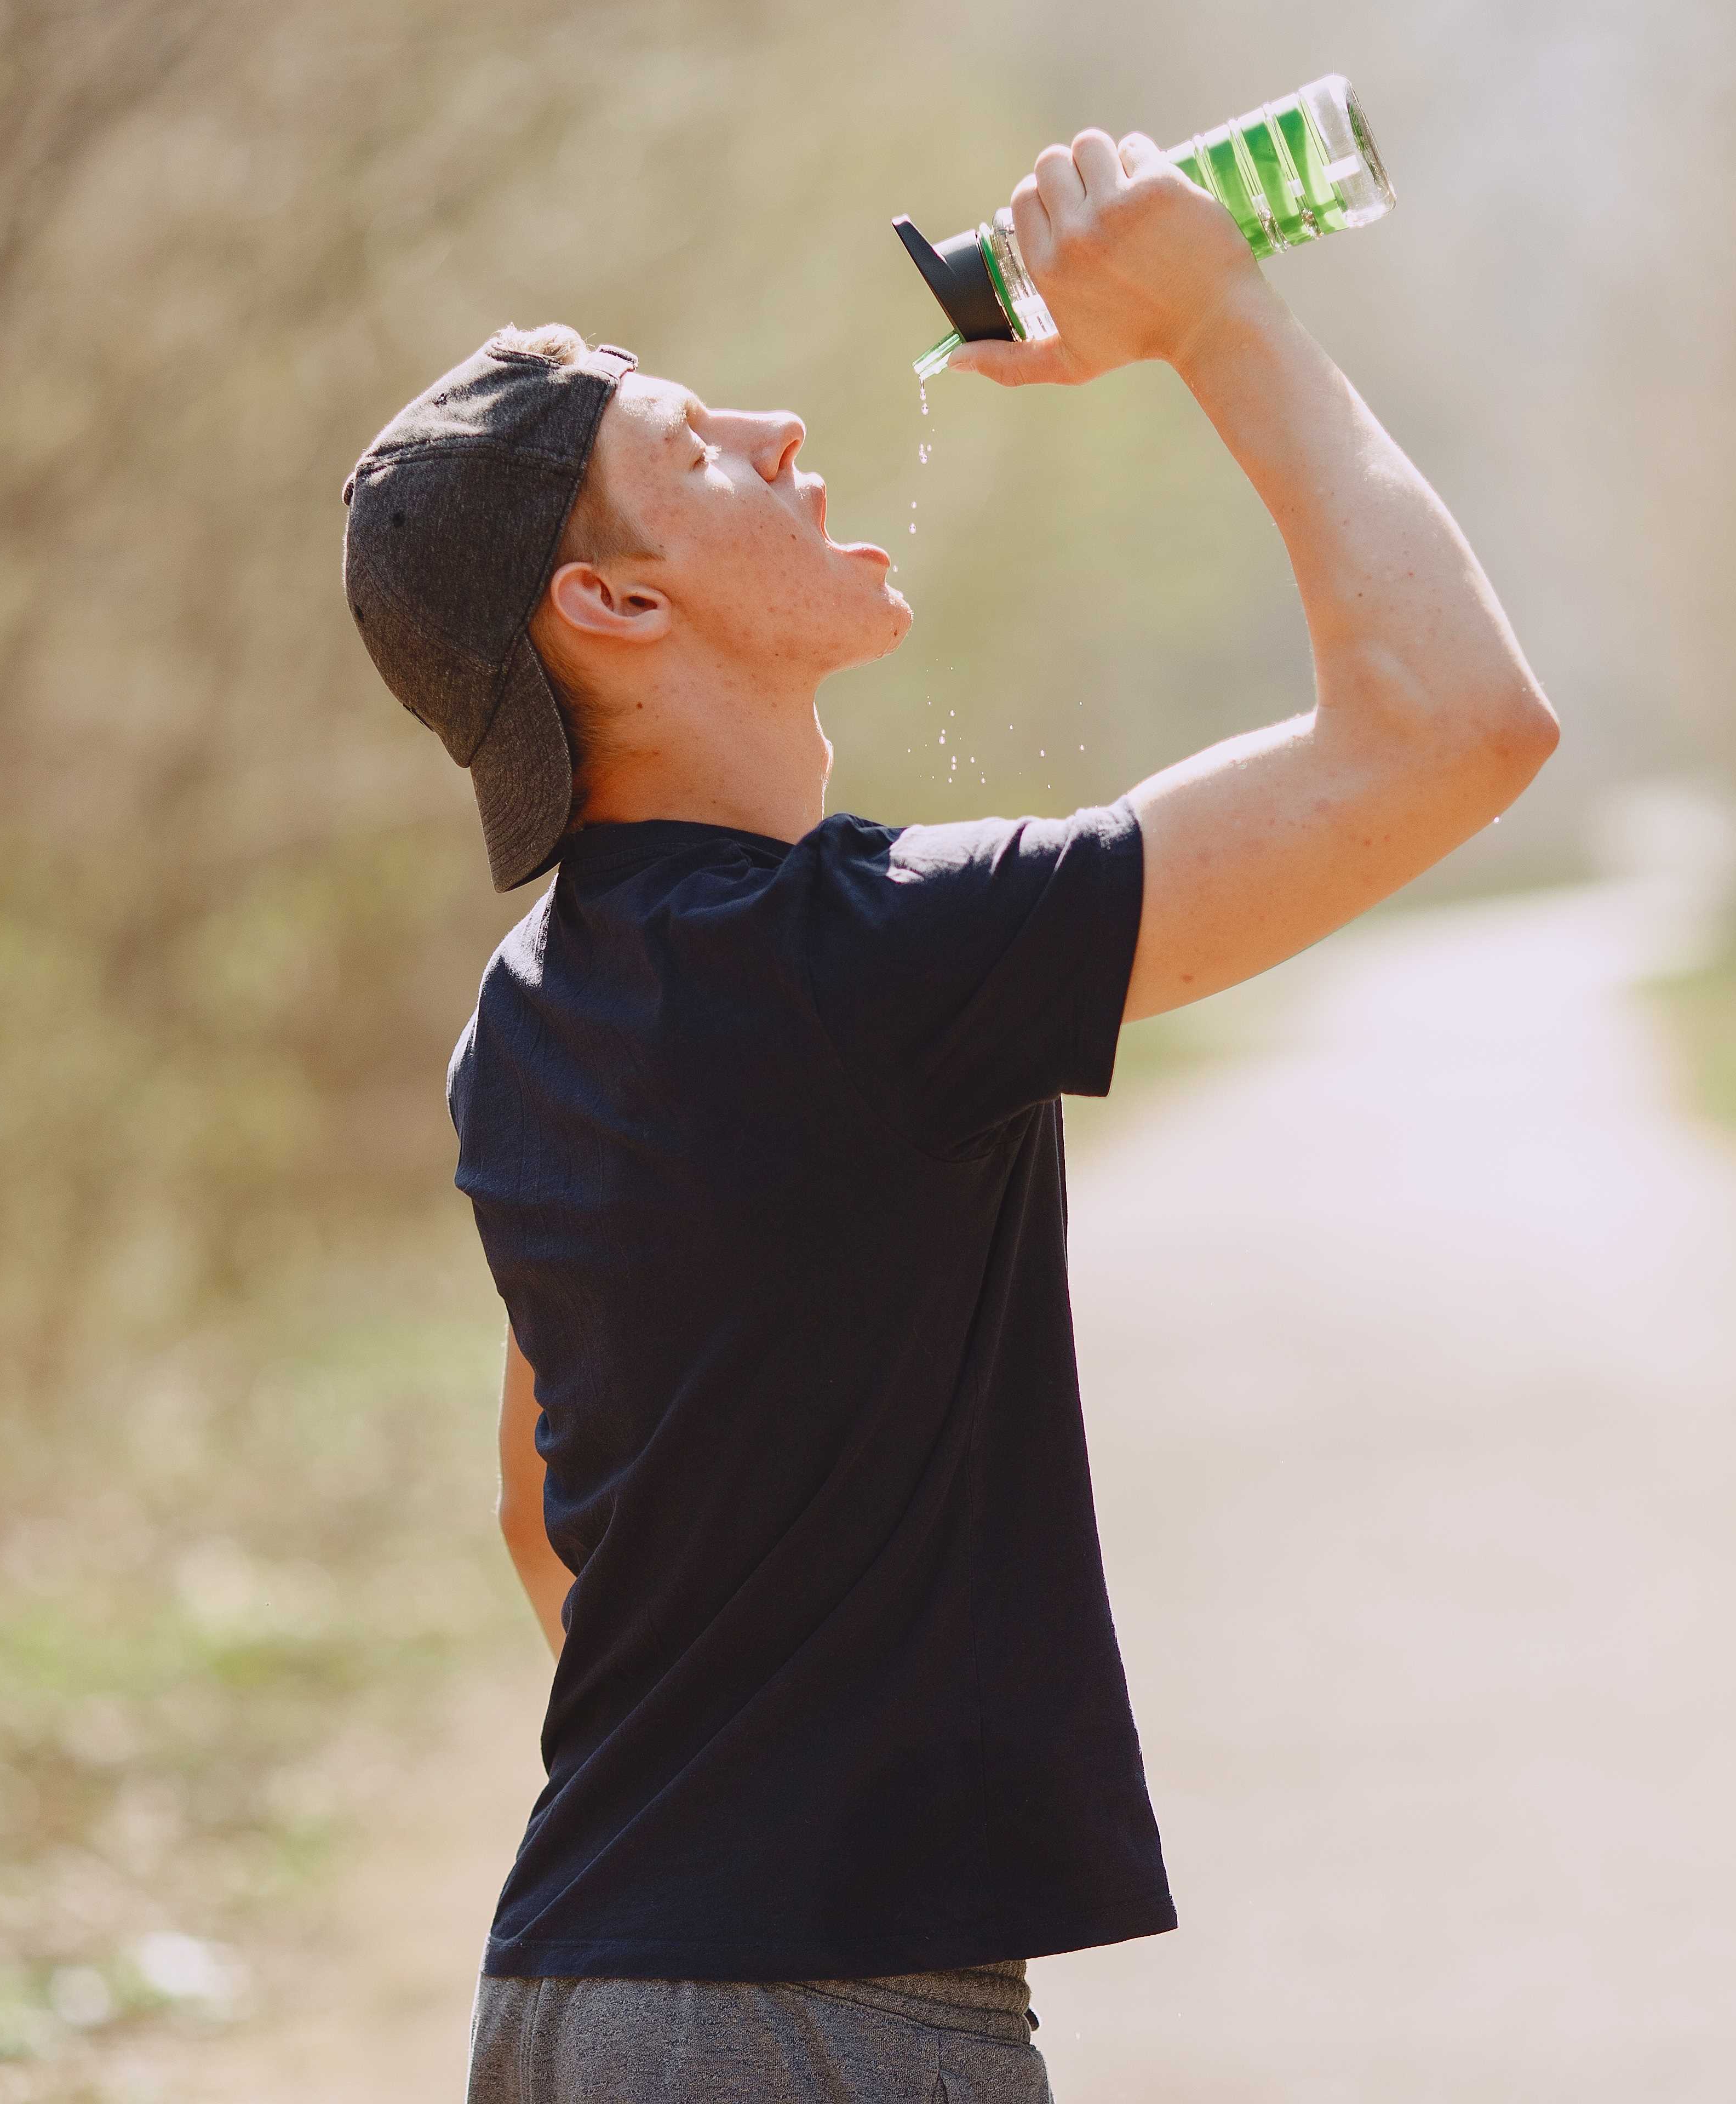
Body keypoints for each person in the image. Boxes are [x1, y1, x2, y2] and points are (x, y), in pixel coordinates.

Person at [338, 126, 1557, 2104]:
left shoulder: (537, 1019)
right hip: (801, 2024)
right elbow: (1455, 726)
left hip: (578, 1999)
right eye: (696, 448)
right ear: (616, 610)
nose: (783, 426)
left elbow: (546, 1520)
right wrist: (1216, 316)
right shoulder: (862, 967)